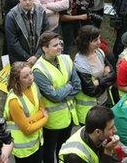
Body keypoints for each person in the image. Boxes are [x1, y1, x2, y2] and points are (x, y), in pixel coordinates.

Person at [33, 31, 81, 163]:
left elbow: (77, 86)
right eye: (55, 45)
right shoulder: (38, 70)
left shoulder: (66, 58)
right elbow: (54, 96)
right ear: (44, 48)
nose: (60, 47)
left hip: (69, 115)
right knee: (49, 150)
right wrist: (68, 85)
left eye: (60, 43)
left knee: (64, 148)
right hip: (52, 121)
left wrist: (63, 92)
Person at [4, 62, 48, 163]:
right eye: (25, 77)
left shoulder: (33, 86)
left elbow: (42, 109)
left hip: (36, 140)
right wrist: (45, 118)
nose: (30, 78)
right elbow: (27, 129)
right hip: (24, 148)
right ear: (17, 80)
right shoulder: (14, 101)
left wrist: (30, 120)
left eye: (31, 73)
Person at [72, 25, 113, 125]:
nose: (99, 42)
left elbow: (113, 74)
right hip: (89, 111)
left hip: (103, 102)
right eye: (95, 40)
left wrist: (99, 81)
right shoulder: (81, 63)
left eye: (99, 38)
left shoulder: (99, 52)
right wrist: (106, 77)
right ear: (86, 42)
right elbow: (91, 91)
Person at [5, 0, 52, 64]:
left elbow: (46, 35)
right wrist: (29, 58)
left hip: (39, 57)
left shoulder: (41, 11)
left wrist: (37, 56)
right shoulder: (11, 16)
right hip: (20, 60)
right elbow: (12, 42)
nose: (27, 2)